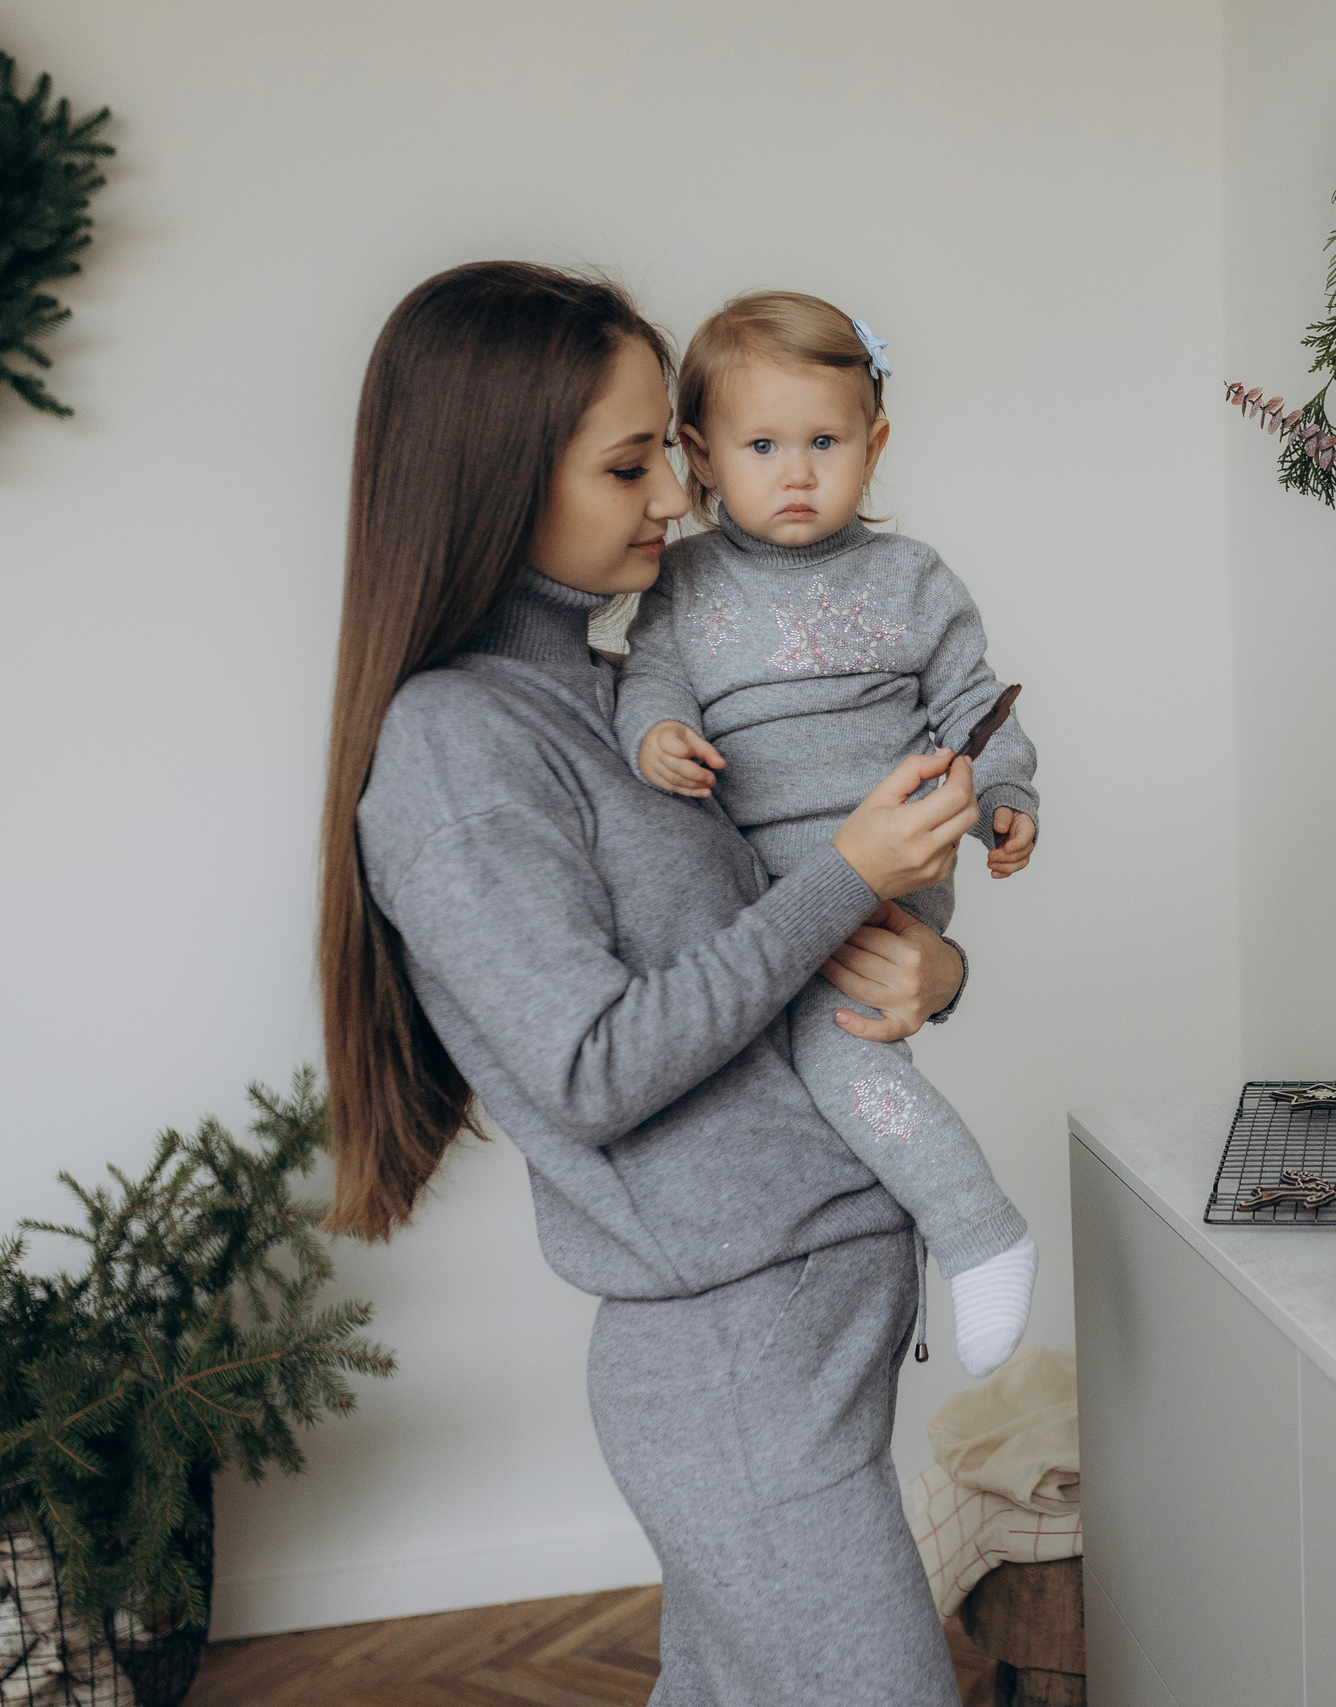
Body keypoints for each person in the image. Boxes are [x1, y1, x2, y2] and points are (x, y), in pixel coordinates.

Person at [317, 261, 969, 1705]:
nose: (676, 498)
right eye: (628, 465)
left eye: (670, 454)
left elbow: (769, 952)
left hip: (801, 1312)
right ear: (492, 476)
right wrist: (847, 874)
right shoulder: (455, 745)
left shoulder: (619, 694)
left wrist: (936, 963)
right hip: (735, 1347)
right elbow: (593, 1060)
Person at [616, 290, 1037, 1378]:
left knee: (834, 1054)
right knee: (776, 1071)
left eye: (824, 442)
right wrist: (656, 730)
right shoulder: (684, 582)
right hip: (762, 892)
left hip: (890, 871)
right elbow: (651, 679)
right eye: (762, 445)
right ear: (701, 457)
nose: (795, 472)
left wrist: (1004, 801)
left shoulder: (910, 581)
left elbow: (976, 708)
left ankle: (980, 1232)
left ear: (874, 444)